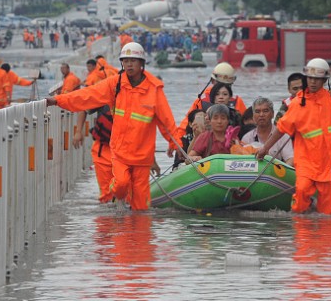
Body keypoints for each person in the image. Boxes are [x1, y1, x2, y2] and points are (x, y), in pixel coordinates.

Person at [46, 42, 179, 211]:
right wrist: (58, 101)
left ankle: (138, 235)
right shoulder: (115, 85)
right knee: (121, 184)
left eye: (133, 60)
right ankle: (115, 199)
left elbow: (166, 121)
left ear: (142, 63)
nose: (129, 64)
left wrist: (175, 145)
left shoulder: (154, 89)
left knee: (141, 208)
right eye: (126, 60)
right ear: (122, 63)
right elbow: (87, 95)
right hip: (120, 152)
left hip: (142, 157)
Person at [256, 58, 331, 215]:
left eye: (317, 79)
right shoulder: (298, 104)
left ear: (324, 80)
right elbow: (281, 129)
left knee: (329, 213)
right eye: (310, 78)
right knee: (301, 197)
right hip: (307, 162)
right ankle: (302, 236)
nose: (313, 82)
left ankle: (326, 238)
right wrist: (265, 148)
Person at [171, 62, 246, 156]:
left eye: (226, 87)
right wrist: (178, 145)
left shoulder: (238, 103)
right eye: (218, 93)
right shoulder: (201, 102)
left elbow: (245, 128)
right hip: (204, 145)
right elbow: (185, 125)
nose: (221, 97)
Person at [242, 97, 294, 166]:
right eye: (257, 111)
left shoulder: (283, 136)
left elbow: (290, 159)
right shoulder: (247, 138)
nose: (261, 115)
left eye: (265, 111)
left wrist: (281, 170)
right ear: (253, 116)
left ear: (272, 114)